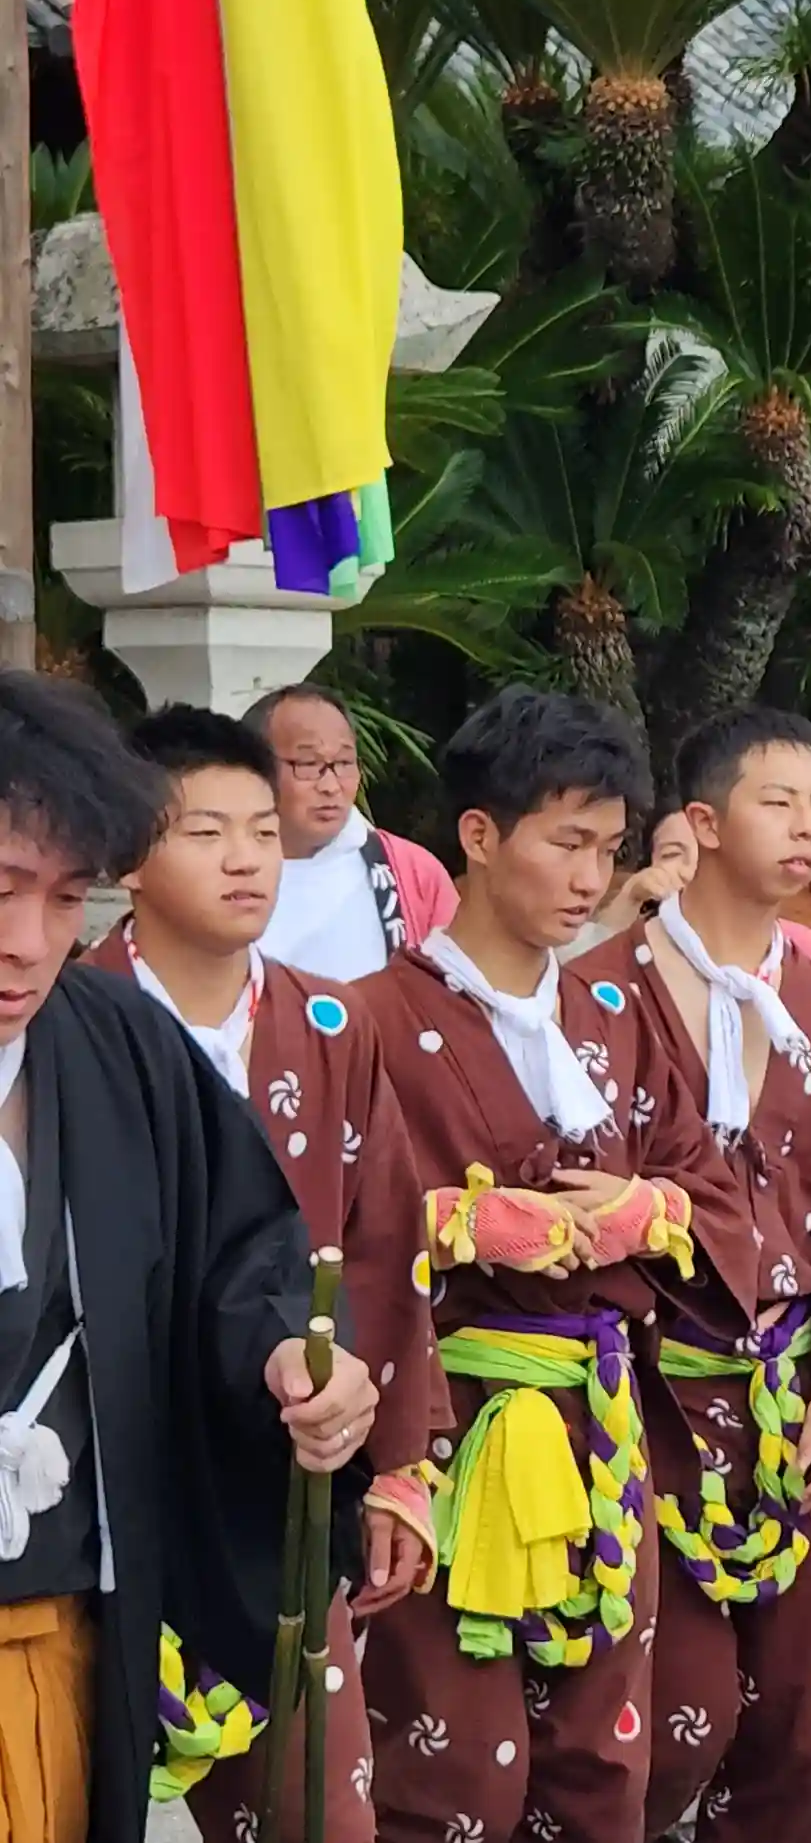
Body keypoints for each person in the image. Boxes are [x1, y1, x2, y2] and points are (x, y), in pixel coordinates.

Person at [354, 688, 755, 1843]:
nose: (591, 879)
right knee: (452, 1754)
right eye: (567, 842)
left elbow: (710, 1186)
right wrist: (452, 1224)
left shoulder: (617, 1014)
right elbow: (317, 1228)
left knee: (606, 1752)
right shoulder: (366, 1020)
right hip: (448, 1419)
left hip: (605, 1418)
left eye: (610, 850)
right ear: (479, 835)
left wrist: (647, 1208)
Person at [0, 671, 379, 1843]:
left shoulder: (115, 1045)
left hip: (50, 1621)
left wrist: (287, 1361)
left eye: (67, 899)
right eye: (0, 890)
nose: (28, 945)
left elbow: (241, 1256)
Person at [567, 707, 811, 1843]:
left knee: (810, 1720)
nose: (808, 827)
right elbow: (567, 1201)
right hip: (647, 1402)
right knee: (668, 1713)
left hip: (797, 1394)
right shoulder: (598, 995)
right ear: (704, 821)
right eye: (779, 802)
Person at [91, 705, 447, 1843]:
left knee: (319, 1806)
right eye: (205, 832)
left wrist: (399, 1467)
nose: (246, 858)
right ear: (127, 854)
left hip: (292, 1461)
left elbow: (387, 1251)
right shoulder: (69, 1021)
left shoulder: (332, 1022)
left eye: (261, 829)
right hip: (108, 1477)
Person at [565, 805, 811, 1034]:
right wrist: (629, 897)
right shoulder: (638, 949)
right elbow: (574, 988)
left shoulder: (802, 947)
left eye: (707, 854)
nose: (690, 870)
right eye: (673, 854)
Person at [246, 683, 457, 978]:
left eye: (344, 762)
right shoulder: (222, 874)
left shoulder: (412, 872)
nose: (331, 786)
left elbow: (458, 986)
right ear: (256, 769)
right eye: (308, 763)